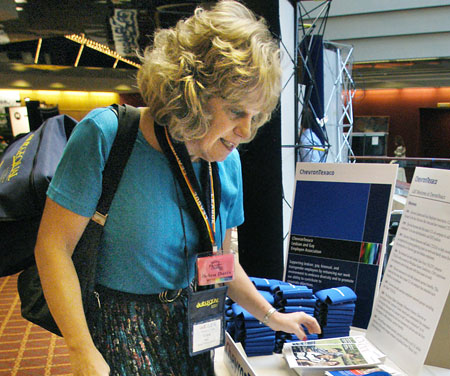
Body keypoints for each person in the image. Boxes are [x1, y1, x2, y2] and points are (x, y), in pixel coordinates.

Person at [34, 2, 320, 375]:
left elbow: (220, 265)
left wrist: (271, 315)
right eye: (236, 111)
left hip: (189, 328)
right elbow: (53, 248)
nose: (247, 132)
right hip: (118, 332)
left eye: (256, 116)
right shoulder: (106, 135)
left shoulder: (225, 162)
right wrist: (80, 349)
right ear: (194, 94)